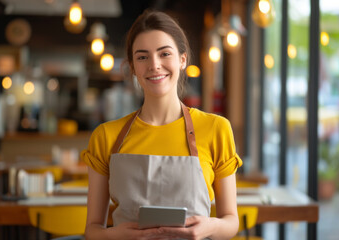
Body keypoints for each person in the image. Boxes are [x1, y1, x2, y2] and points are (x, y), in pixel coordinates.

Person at [81, 10, 242, 240]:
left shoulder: (216, 129)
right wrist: (116, 235)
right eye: (142, 57)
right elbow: (92, 229)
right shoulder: (106, 136)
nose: (155, 65)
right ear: (133, 68)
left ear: (182, 59)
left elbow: (231, 221)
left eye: (164, 53)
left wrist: (210, 227)